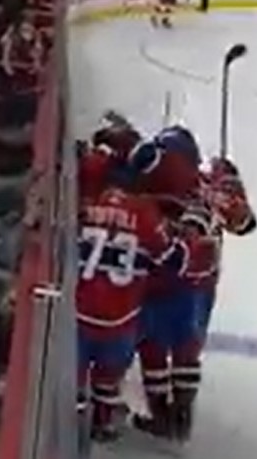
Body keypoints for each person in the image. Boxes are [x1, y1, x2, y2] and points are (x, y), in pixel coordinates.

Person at [135, 156, 256, 440]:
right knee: (179, 346)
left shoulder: (193, 179)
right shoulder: (202, 182)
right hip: (189, 278)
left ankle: (170, 416)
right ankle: (176, 416)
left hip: (175, 277)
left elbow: (245, 223)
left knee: (158, 345)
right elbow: (245, 223)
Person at [75, 167, 168, 441]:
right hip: (121, 316)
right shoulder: (145, 214)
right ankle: (102, 424)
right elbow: (169, 257)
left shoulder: (86, 208)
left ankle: (70, 428)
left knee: (73, 377)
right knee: (108, 378)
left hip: (81, 309)